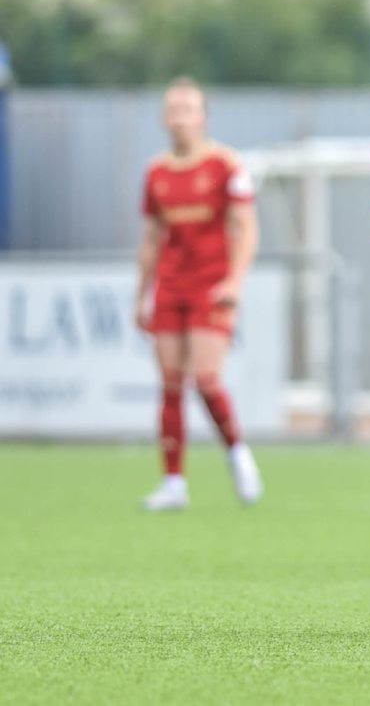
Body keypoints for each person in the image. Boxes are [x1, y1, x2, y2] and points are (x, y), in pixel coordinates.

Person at [136, 76, 262, 511]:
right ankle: (173, 482)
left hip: (212, 286)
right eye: (173, 110)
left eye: (187, 109)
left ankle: (237, 452)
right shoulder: (156, 172)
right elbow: (151, 238)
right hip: (171, 287)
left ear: (203, 117)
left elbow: (246, 229)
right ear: (164, 119)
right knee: (170, 383)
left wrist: (234, 282)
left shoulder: (226, 165)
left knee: (206, 380)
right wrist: (142, 294)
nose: (180, 118)